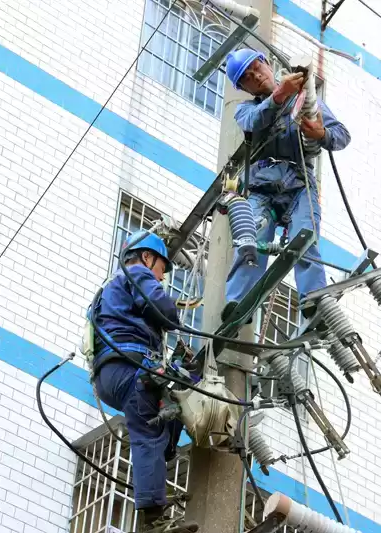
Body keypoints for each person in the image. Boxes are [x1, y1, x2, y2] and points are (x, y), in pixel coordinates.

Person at [222, 48, 351, 321]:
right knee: (251, 239)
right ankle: (239, 303)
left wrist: (321, 133)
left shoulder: (302, 100)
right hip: (262, 188)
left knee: (304, 237)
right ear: (243, 87)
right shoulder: (246, 109)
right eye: (246, 77)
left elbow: (341, 135)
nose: (255, 76)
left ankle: (312, 297)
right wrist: (279, 94)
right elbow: (255, 122)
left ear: (267, 64)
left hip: (299, 184)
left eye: (257, 67)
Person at [91, 230, 198, 533]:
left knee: (167, 415)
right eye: (162, 269)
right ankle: (153, 521)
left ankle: (163, 458)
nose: (162, 278)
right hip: (131, 366)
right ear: (147, 257)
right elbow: (162, 308)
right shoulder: (136, 271)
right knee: (149, 433)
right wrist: (173, 313)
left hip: (110, 375)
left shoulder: (108, 291)